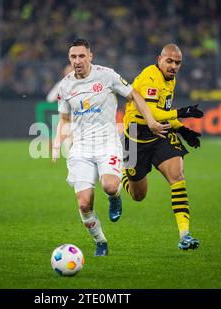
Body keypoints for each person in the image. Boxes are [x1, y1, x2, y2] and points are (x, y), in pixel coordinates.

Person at [52, 38, 170, 256]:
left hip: (107, 143)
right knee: (84, 203)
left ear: (90, 56)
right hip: (81, 148)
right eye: (73, 57)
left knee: (109, 186)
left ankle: (115, 198)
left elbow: (134, 94)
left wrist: (151, 121)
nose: (77, 61)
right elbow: (65, 119)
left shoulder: (107, 75)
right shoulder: (65, 85)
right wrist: (58, 142)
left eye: (81, 56)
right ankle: (101, 242)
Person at [121, 43, 204, 250]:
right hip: (135, 136)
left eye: (178, 63)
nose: (174, 66)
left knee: (177, 176)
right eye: (169, 61)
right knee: (138, 195)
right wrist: (183, 112)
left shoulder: (171, 80)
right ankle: (122, 174)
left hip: (159, 135)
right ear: (159, 59)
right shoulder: (151, 76)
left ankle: (184, 235)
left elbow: (162, 113)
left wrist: (182, 129)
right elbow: (152, 114)